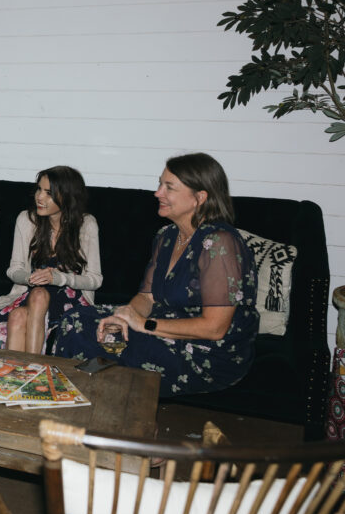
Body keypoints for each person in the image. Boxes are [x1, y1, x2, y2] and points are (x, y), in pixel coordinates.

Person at [54, 153, 258, 396]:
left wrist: (143, 324)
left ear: (199, 197)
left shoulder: (218, 243)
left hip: (207, 352)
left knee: (122, 347)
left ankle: (101, 408)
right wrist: (124, 319)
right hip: (162, 327)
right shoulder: (167, 236)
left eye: (169, 187)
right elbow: (148, 296)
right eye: (160, 184)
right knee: (76, 321)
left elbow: (215, 328)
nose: (158, 193)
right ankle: (82, 402)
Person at [0, 166, 101, 354]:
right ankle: (20, 374)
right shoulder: (27, 219)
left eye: (48, 193)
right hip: (30, 295)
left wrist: (59, 278)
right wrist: (30, 278)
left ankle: (31, 364)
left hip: (70, 299)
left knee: (38, 295)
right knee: (20, 313)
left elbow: (95, 280)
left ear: (68, 197)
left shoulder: (86, 224)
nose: (40, 197)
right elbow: (14, 270)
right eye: (39, 189)